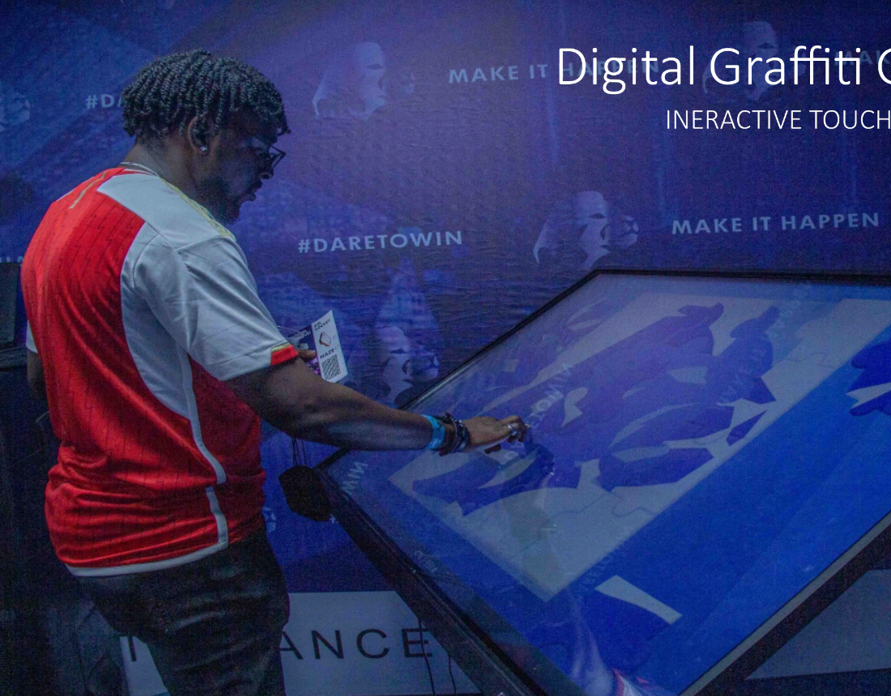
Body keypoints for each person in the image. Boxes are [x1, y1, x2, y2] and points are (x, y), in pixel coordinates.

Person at [21, 49, 526, 696]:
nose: (264, 171)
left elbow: (52, 378)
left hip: (96, 545)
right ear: (201, 133)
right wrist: (452, 433)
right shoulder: (181, 235)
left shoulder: (66, 213)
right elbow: (307, 409)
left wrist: (232, 366)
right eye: (257, 148)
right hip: (190, 551)